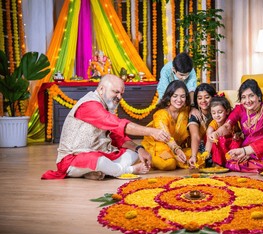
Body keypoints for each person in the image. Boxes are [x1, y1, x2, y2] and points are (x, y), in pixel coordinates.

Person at [42, 74, 170, 180]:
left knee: (134, 153)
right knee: (100, 161)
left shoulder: (105, 105)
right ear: (102, 89)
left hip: (98, 152)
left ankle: (102, 171)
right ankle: (127, 170)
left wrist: (139, 148)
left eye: (121, 93)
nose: (119, 97)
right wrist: (151, 131)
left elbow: (116, 136)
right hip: (72, 159)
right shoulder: (89, 105)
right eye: (115, 92)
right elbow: (118, 125)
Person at [210, 79, 263, 173]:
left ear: (259, 96)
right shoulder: (240, 109)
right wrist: (216, 133)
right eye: (243, 97)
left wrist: (252, 151)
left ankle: (256, 162)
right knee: (231, 162)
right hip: (247, 149)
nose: (247, 101)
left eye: (251, 96)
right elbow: (227, 126)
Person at [142, 80, 191, 171]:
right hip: (159, 145)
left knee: (197, 158)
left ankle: (178, 159)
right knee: (168, 163)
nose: (179, 100)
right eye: (175, 96)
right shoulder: (161, 114)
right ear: (169, 97)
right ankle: (151, 158)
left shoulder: (185, 112)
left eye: (182, 96)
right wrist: (177, 151)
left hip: (177, 147)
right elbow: (165, 137)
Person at [204, 92, 241, 167]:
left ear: (227, 111)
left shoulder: (231, 122)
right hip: (219, 147)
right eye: (213, 113)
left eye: (220, 112)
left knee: (237, 140)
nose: (217, 115)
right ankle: (218, 163)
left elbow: (239, 132)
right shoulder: (213, 124)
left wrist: (237, 136)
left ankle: (232, 161)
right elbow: (209, 137)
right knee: (219, 139)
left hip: (230, 146)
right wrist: (206, 153)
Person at [187, 83, 217, 168]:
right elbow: (195, 136)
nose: (203, 101)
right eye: (200, 98)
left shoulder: (218, 111)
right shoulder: (195, 114)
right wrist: (193, 156)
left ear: (213, 97)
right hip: (199, 148)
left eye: (207, 97)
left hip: (217, 144)